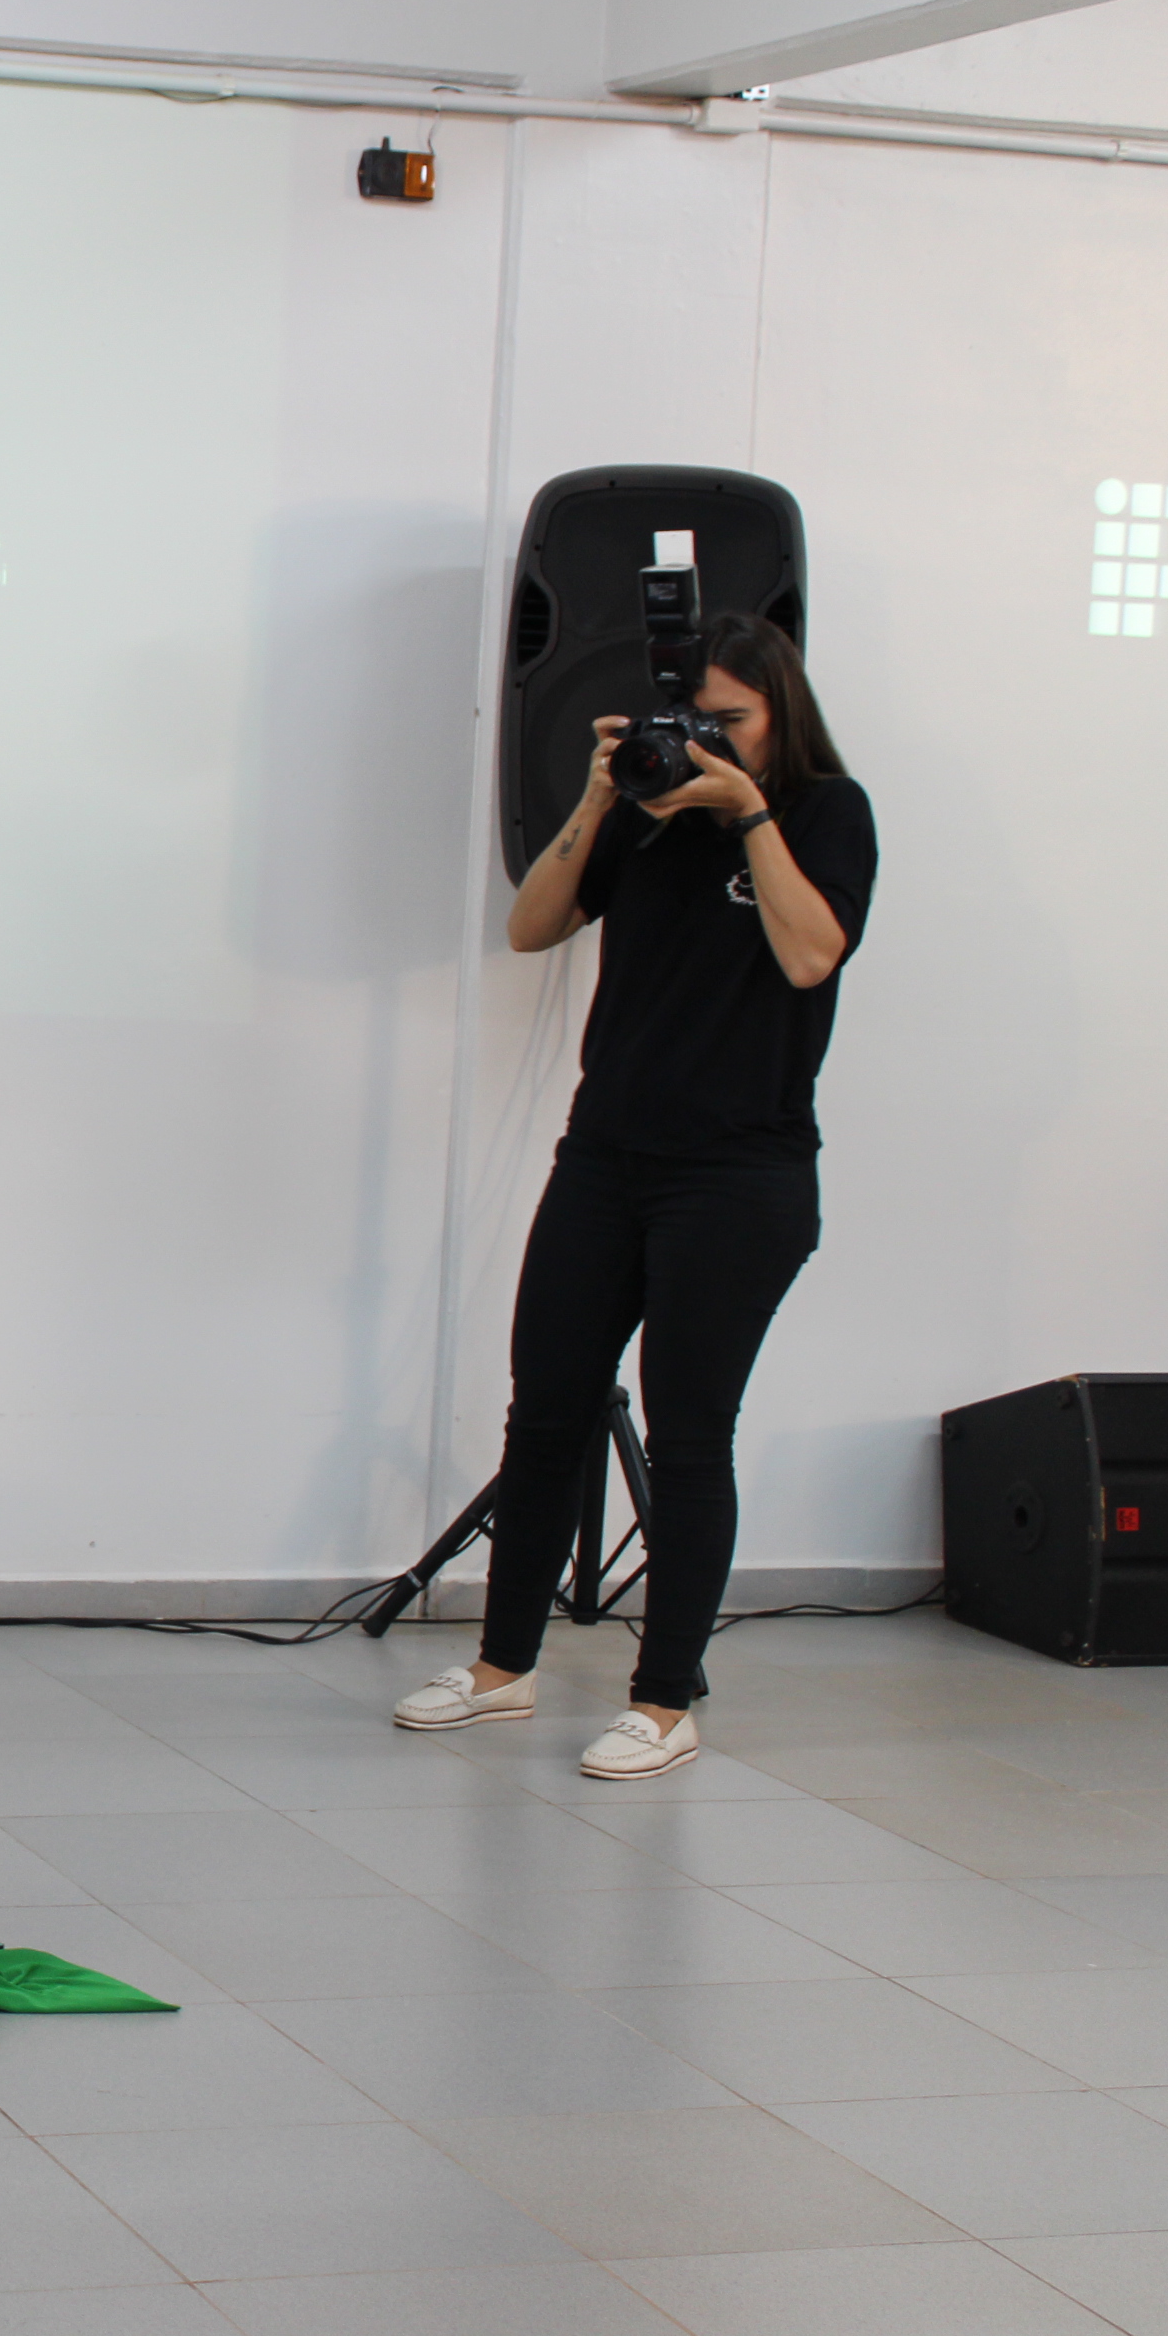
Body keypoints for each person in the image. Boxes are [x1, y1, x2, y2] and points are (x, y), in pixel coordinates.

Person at [392, 614, 876, 1778]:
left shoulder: (825, 810)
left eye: (732, 719)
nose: (707, 738)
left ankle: (663, 1701)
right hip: (605, 1156)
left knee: (690, 1435)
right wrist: (603, 796)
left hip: (740, 1174)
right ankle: (503, 1669)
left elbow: (811, 955)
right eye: (692, 718)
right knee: (545, 1414)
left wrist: (747, 813)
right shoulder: (647, 814)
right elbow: (531, 928)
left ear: (782, 712)